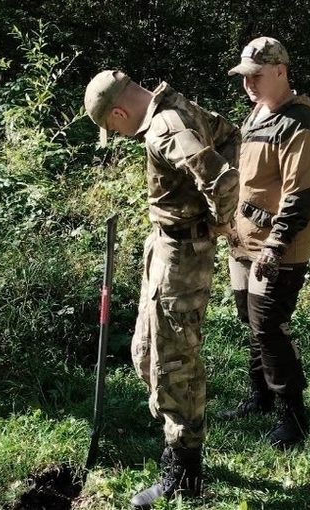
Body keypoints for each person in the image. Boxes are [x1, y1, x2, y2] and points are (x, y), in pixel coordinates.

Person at [82, 70, 239, 509]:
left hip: (182, 259)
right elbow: (230, 135)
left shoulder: (164, 129)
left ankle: (185, 473)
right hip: (168, 247)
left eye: (114, 128)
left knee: (174, 362)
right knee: (146, 351)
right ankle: (178, 439)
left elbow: (223, 179)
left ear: (118, 112)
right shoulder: (178, 107)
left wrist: (220, 219)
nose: (119, 135)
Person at [219, 36, 310, 450]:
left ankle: (292, 416)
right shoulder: (257, 115)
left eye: (257, 76)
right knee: (251, 320)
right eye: (244, 77)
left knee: (269, 325)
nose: (249, 84)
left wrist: (274, 247)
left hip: (278, 247)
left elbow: (300, 196)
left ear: (281, 72)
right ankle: (260, 397)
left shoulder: (301, 124)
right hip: (243, 240)